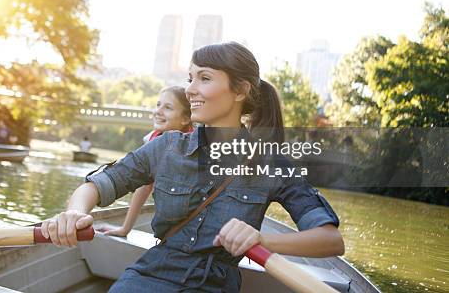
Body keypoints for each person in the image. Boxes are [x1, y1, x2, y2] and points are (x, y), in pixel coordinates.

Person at [40, 42, 344, 292]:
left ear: (240, 91)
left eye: (205, 78)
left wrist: (262, 239)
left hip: (213, 286)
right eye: (190, 78)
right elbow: (97, 185)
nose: (190, 90)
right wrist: (76, 213)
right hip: (148, 278)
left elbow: (330, 241)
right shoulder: (165, 147)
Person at [98, 86, 193, 237]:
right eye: (158, 105)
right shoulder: (152, 142)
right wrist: (125, 229)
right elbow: (143, 187)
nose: (158, 111)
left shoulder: (195, 148)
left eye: (168, 107)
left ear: (186, 118)